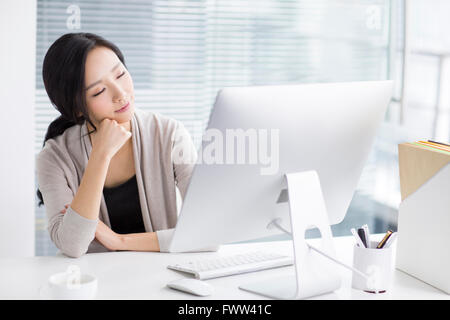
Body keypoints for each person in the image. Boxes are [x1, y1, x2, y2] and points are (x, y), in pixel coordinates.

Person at [36, 33, 196, 258]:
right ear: (78, 108)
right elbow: (72, 245)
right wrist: (100, 155)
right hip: (97, 285)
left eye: (120, 74)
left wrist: (119, 241)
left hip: (163, 279)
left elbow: (205, 232)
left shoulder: (169, 135)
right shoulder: (54, 158)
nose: (121, 94)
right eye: (99, 91)